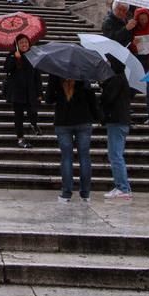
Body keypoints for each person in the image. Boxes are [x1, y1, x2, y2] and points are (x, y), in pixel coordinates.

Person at [44, 74, 99, 203]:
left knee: (66, 157)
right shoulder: (82, 73)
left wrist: (59, 94)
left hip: (63, 120)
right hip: (83, 120)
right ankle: (85, 193)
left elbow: (48, 99)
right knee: (84, 156)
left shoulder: (56, 73)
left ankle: (66, 193)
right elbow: (91, 98)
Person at [101, 54, 132, 199]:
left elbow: (108, 98)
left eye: (108, 61)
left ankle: (123, 188)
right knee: (115, 154)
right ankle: (122, 186)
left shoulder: (117, 79)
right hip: (119, 121)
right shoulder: (120, 79)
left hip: (117, 121)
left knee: (115, 155)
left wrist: (103, 85)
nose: (107, 63)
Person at [3, 34, 43, 148]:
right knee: (18, 116)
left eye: (26, 42)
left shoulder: (33, 55)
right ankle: (20, 138)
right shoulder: (12, 55)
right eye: (21, 43)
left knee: (33, 112)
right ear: (17, 44)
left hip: (31, 91)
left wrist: (40, 93)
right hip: (17, 91)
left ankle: (33, 123)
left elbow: (37, 76)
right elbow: (6, 69)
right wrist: (15, 58)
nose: (24, 45)